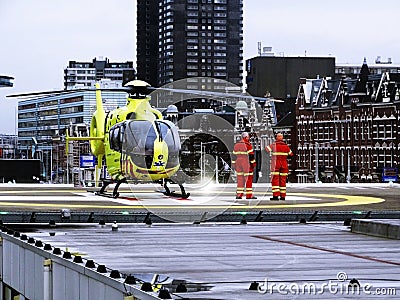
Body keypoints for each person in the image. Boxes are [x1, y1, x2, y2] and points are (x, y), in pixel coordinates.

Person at [265, 133, 293, 201]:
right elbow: (291, 154)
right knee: (283, 180)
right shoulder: (286, 146)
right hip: (284, 164)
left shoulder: (273, 145)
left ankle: (276, 195)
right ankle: (283, 196)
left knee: (275, 180)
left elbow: (266, 150)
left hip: (275, 164)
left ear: (276, 138)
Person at [232, 132, 257, 199]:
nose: (249, 138)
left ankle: (239, 195)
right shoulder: (248, 145)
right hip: (245, 162)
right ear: (246, 137)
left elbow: (233, 156)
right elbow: (251, 156)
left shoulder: (236, 145)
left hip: (238, 163)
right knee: (248, 179)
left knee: (240, 179)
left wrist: (234, 164)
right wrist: (253, 164)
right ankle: (249, 195)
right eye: (248, 137)